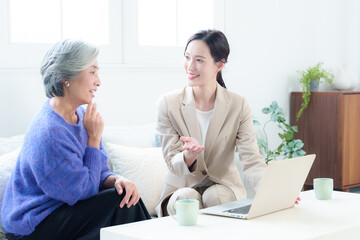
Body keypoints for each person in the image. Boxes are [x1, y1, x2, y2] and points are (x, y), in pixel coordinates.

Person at [1, 40, 150, 239]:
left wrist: (116, 179)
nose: (98, 81)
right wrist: (94, 139)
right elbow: (82, 193)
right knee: (120, 203)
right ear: (66, 77)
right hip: (33, 227)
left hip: (62, 211)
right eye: (92, 72)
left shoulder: (80, 115)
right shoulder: (49, 132)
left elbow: (98, 171)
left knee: (126, 196)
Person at [155, 29, 268, 217]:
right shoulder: (168, 103)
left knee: (217, 197)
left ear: (220, 64)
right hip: (180, 186)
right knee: (185, 198)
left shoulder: (238, 104)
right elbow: (171, 161)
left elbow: (252, 159)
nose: (190, 66)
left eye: (199, 60)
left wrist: (273, 192)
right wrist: (188, 157)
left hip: (223, 185)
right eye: (187, 57)